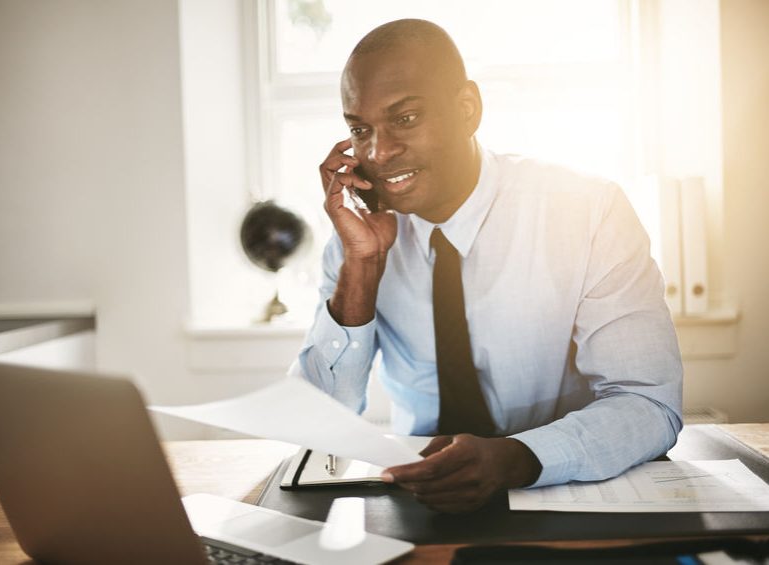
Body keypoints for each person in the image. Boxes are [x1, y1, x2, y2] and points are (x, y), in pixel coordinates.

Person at [292, 18, 682, 513]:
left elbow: (649, 404)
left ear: (467, 109)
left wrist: (518, 458)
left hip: (566, 491)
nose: (379, 152)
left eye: (405, 119)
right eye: (359, 130)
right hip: (420, 498)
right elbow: (315, 422)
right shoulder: (357, 241)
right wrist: (362, 268)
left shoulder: (588, 210)